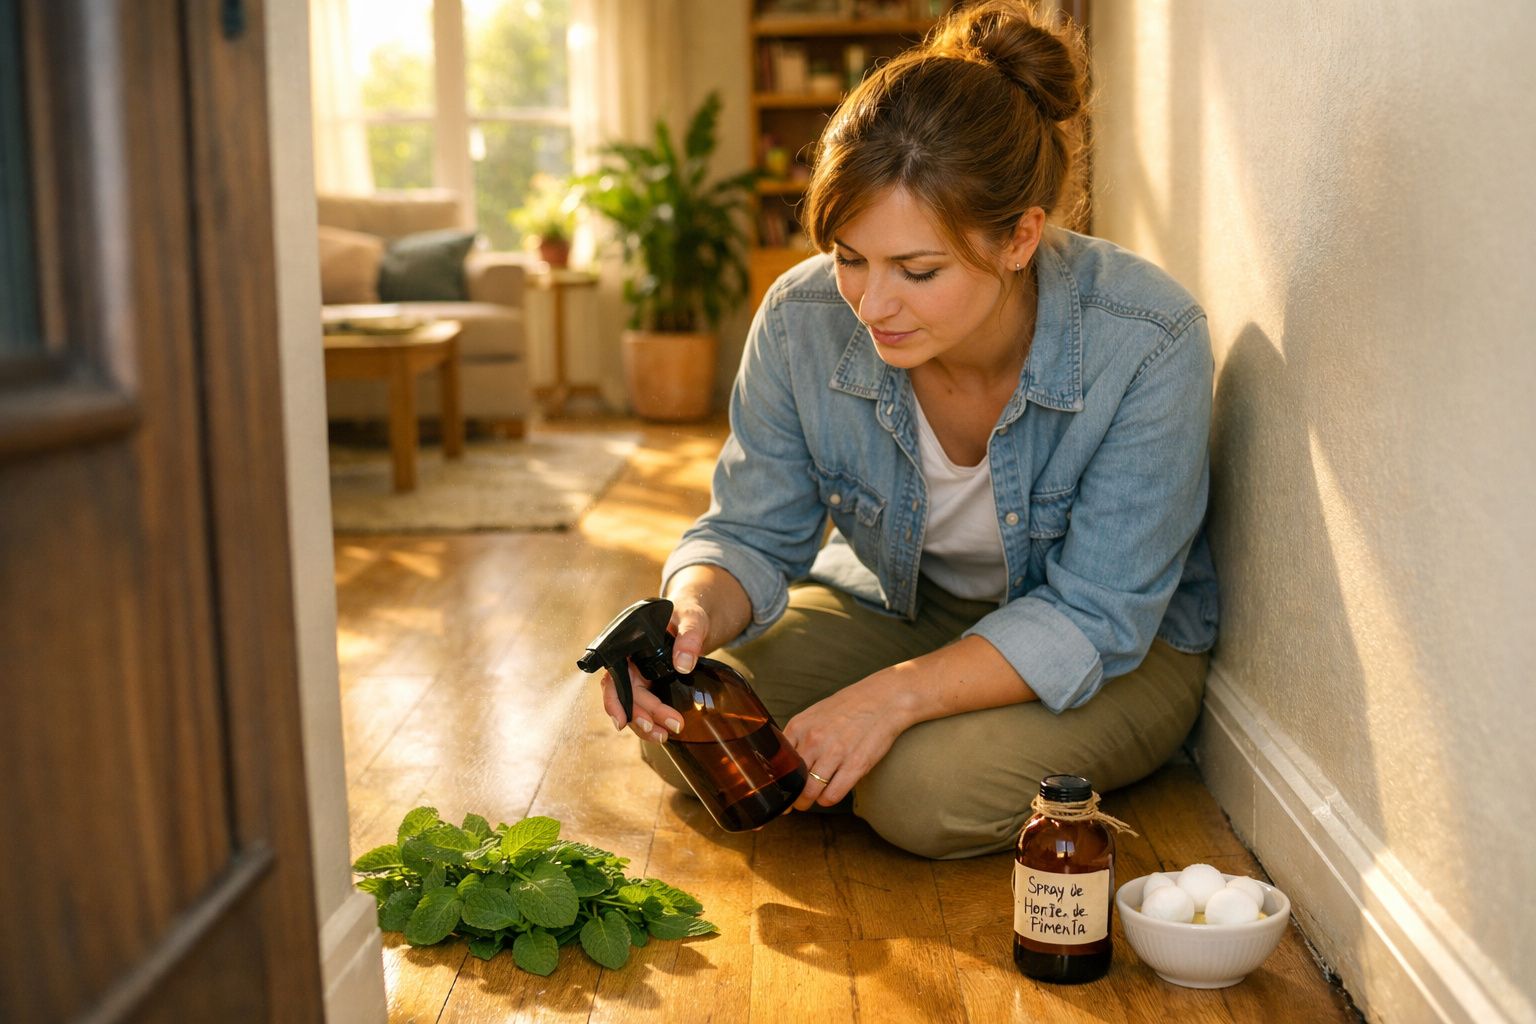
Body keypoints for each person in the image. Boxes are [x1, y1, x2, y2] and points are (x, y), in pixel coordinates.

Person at [599, 0, 1219, 859]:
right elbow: (750, 529)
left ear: (1019, 237)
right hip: (905, 603)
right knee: (688, 730)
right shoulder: (801, 316)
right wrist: (689, 617)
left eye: (917, 270)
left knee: (924, 795)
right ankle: (862, 750)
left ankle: (893, 757)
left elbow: (1099, 614)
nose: (871, 305)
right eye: (850, 258)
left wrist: (891, 699)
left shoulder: (1149, 341)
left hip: (1115, 643)